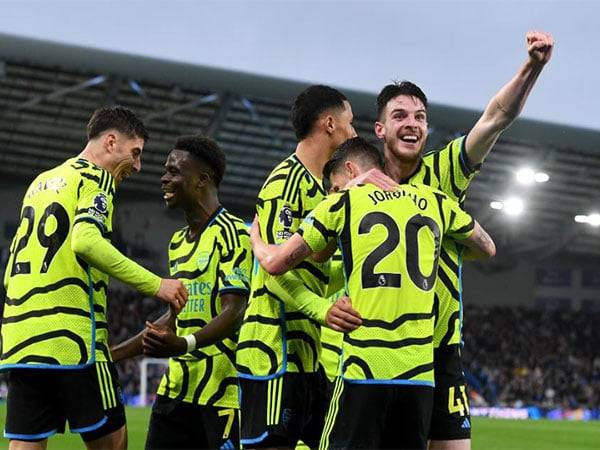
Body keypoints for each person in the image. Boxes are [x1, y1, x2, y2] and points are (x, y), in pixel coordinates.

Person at [364, 30, 554, 450]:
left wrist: (532, 67)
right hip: (374, 352)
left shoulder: (444, 173)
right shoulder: (357, 186)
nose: (411, 124)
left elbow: (496, 116)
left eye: (419, 117)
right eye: (400, 116)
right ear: (379, 128)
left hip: (440, 348)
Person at [250, 137, 496, 449]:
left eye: (335, 185)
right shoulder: (435, 201)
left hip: (364, 369)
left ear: (351, 172)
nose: (333, 193)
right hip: (419, 376)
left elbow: (275, 264)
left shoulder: (343, 204)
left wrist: (256, 240)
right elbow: (487, 248)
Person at [1, 106, 188, 449]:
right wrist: (157, 284)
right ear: (111, 141)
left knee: (25, 444)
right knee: (114, 442)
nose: (138, 166)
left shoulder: (41, 182)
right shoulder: (95, 177)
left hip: (21, 336)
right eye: (136, 153)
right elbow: (86, 241)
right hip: (74, 339)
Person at [235, 85, 362, 449]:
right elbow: (275, 275)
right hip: (273, 354)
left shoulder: (323, 190)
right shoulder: (284, 184)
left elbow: (318, 273)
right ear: (329, 123)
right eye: (349, 123)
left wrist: (361, 270)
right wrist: (323, 309)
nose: (354, 133)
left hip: (306, 358)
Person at [111, 135, 252, 450]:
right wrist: (114, 355)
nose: (164, 178)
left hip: (221, 393)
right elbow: (179, 313)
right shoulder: (178, 242)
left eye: (174, 171)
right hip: (176, 390)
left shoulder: (233, 233)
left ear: (202, 180)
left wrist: (183, 344)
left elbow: (234, 311)